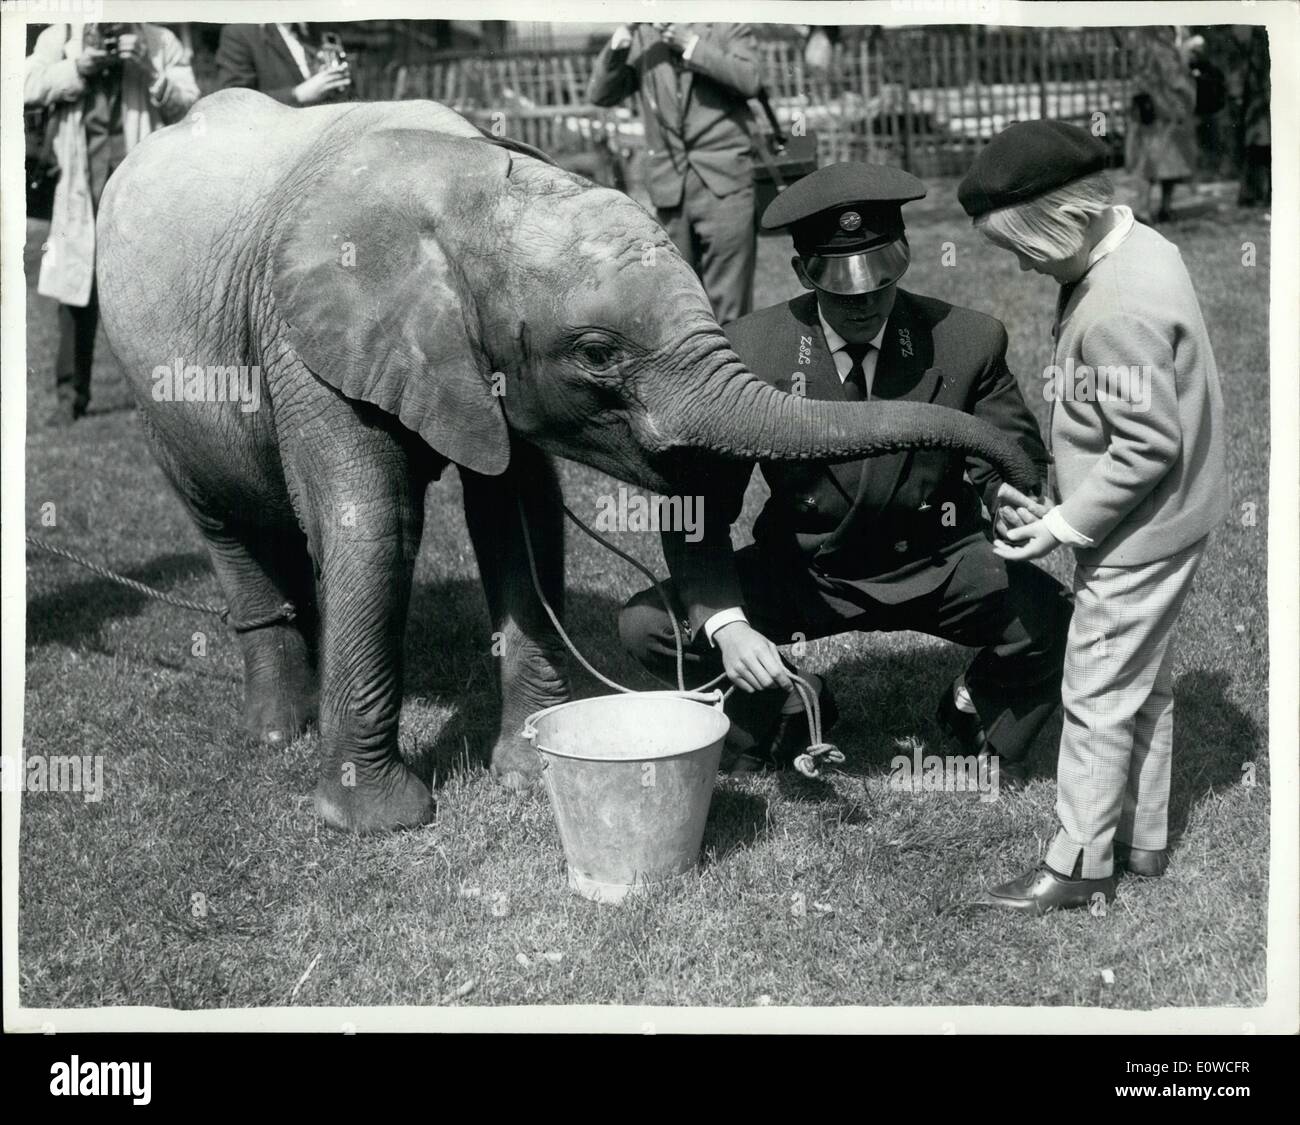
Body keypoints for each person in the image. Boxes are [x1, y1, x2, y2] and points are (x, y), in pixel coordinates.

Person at [618, 162, 1072, 775]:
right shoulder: (749, 352)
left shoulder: (966, 339)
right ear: (804, 272)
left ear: (904, 259)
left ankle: (973, 708)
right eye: (840, 287)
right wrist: (728, 626)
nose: (862, 303)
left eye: (878, 284)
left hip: (936, 560)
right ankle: (789, 707)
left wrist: (1010, 497)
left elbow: (1008, 453)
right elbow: (698, 507)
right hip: (808, 569)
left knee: (1059, 619)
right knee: (650, 625)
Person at [959, 121, 1228, 913]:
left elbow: (1145, 448)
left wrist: (1061, 526)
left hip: (1136, 536)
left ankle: (1077, 863)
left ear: (1068, 219)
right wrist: (1067, 503)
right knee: (1143, 687)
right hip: (1174, 516)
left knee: (1096, 690)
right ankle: (1140, 840)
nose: (1020, 263)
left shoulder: (1116, 305)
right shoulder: (1148, 250)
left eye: (1024, 245)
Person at [25, 21, 198, 426]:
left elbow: (192, 104)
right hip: (80, 184)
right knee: (75, 296)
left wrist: (149, 70)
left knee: (155, 297)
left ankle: (165, 401)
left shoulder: (159, 41)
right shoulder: (60, 35)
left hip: (141, 187)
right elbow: (21, 85)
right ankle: (70, 395)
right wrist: (77, 67)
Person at [587, 22, 761, 325]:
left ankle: (735, 368)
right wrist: (623, 34)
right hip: (669, 187)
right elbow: (600, 94)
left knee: (731, 309)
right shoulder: (643, 37)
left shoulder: (725, 21)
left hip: (725, 182)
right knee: (677, 304)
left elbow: (750, 80)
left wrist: (690, 44)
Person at [1124, 27, 1197, 223]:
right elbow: (1175, 80)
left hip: (1151, 111)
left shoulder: (1143, 46)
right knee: (1161, 162)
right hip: (1165, 112)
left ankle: (1148, 208)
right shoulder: (1163, 49)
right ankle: (1156, 208)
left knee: (1155, 162)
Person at [215, 23, 352, 107]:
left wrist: (334, 83)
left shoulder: (321, 30)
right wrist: (297, 95)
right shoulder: (239, 33)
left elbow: (347, 91)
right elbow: (233, 103)